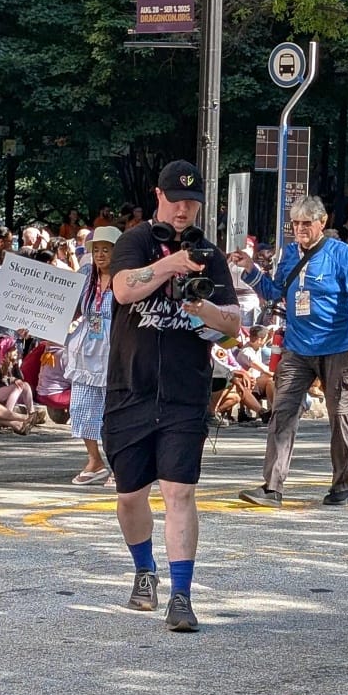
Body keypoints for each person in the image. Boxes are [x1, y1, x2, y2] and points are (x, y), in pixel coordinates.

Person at [104, 160, 239, 633]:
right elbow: (122, 290)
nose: (184, 209)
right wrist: (169, 266)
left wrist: (200, 304)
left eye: (193, 202)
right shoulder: (135, 241)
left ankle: (181, 596)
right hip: (130, 388)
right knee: (129, 496)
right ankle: (145, 569)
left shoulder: (209, 254)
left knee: (179, 491)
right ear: (158, 197)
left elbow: (233, 325)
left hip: (185, 392)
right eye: (176, 200)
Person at [229, 195, 348, 508]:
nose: (300, 229)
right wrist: (251, 270)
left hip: (338, 348)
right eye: (295, 223)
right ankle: (272, 487)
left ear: (322, 223)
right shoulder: (290, 255)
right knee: (283, 412)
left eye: (306, 223)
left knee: (340, 418)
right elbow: (275, 292)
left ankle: (342, 486)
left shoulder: (340, 254)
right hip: (297, 347)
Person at [67, 226, 120, 486]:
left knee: (115, 412)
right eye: (96, 249)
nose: (100, 255)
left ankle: (121, 465)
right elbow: (69, 309)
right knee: (81, 407)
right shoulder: (87, 277)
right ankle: (94, 459)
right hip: (86, 349)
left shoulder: (123, 278)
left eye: (106, 249)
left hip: (113, 351)